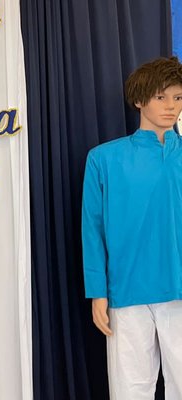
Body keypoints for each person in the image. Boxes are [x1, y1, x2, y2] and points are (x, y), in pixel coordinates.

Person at [82, 56, 182, 399]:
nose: (171, 106)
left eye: (178, 98)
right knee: (129, 390)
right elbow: (92, 229)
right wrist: (98, 291)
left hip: (180, 288)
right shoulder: (103, 159)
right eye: (161, 97)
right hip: (126, 291)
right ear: (140, 100)